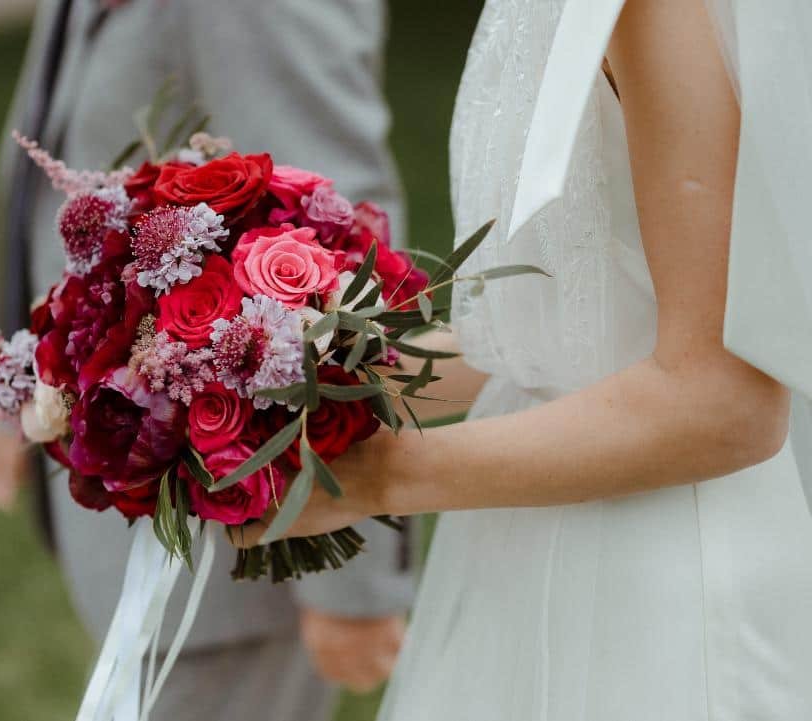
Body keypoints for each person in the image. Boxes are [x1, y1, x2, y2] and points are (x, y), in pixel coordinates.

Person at [235, 0, 812, 718]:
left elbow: (726, 401)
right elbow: (563, 342)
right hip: (523, 538)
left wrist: (373, 476)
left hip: (650, 583)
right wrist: (280, 379)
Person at [0, 1, 414, 719]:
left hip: (233, 564)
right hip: (139, 526)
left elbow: (341, 246)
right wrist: (23, 382)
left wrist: (351, 586)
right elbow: (56, 133)